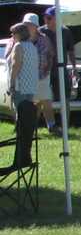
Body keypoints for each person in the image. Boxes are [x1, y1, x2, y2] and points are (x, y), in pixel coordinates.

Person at [3, 22, 39, 173]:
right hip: (30, 86)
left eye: (13, 34)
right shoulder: (32, 46)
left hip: (20, 86)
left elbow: (16, 66)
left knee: (21, 120)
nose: (12, 36)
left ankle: (21, 154)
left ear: (19, 34)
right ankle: (24, 153)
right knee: (27, 121)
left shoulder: (18, 47)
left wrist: (11, 84)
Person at [39, 7, 76, 129]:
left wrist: (74, 67)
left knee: (64, 99)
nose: (46, 20)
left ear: (56, 18)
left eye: (49, 18)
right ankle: (50, 125)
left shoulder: (65, 31)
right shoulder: (41, 32)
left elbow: (71, 51)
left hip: (61, 69)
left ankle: (65, 125)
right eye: (45, 17)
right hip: (45, 70)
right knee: (43, 97)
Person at [24, 12, 56, 132]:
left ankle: (51, 126)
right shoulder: (20, 40)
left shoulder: (44, 39)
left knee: (46, 99)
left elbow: (51, 55)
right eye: (26, 24)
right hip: (26, 76)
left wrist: (47, 70)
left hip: (42, 75)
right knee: (30, 102)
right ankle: (28, 126)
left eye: (30, 24)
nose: (27, 26)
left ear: (35, 26)